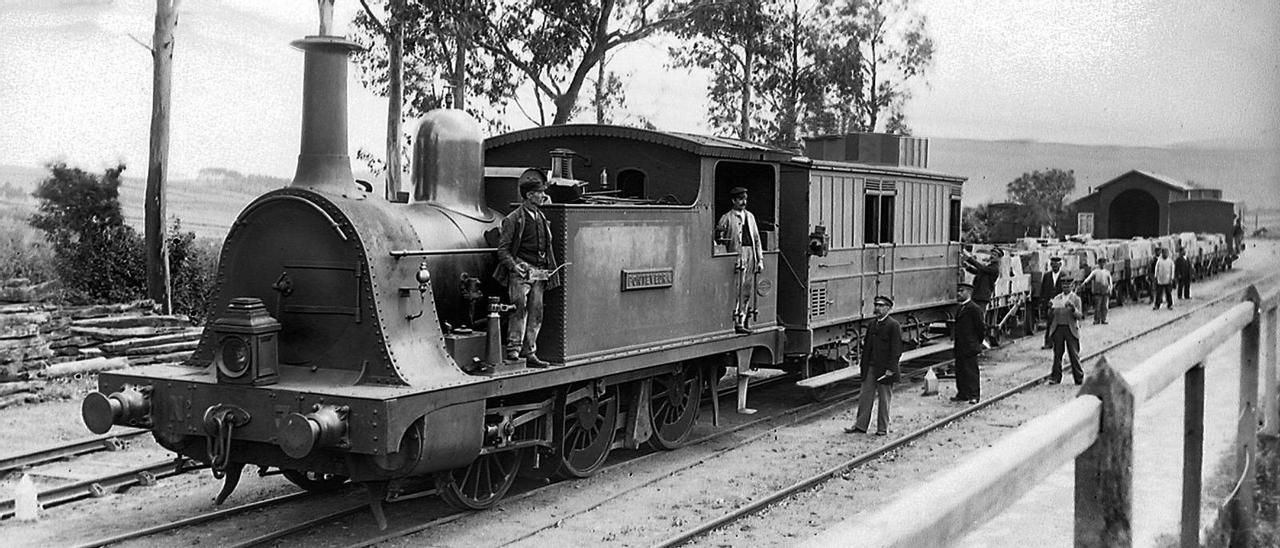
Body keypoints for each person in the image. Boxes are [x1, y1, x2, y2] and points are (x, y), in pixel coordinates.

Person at [494, 172, 560, 368]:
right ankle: (514, 349)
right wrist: (515, 266)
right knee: (518, 310)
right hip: (521, 271)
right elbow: (503, 250)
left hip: (539, 271)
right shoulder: (513, 219)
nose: (543, 196)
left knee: (536, 312)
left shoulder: (541, 218)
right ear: (529, 195)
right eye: (540, 193)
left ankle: (530, 351)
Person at [845, 296, 902, 436]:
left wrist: (891, 369)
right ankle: (860, 425)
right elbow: (868, 347)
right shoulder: (872, 324)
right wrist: (863, 366)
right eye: (876, 305)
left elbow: (896, 350)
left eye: (881, 306)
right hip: (870, 367)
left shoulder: (893, 325)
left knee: (884, 399)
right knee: (865, 396)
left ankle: (882, 428)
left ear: (889, 308)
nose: (877, 308)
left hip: (885, 369)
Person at [716, 186, 764, 333]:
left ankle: (743, 319)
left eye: (745, 199)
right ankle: (736, 321)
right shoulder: (726, 218)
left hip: (750, 254)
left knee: (747, 289)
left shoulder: (750, 217)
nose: (743, 202)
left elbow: (756, 239)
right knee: (736, 289)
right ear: (734, 201)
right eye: (741, 199)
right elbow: (719, 240)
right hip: (736, 255)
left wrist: (759, 259)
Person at [951, 282, 985, 404]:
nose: (959, 294)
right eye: (958, 291)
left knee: (971, 371)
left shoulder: (974, 309)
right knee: (960, 370)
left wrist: (976, 343)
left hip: (970, 346)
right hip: (960, 345)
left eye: (961, 291)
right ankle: (962, 393)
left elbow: (980, 328)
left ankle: (974, 395)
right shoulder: (960, 308)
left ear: (968, 292)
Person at [1047, 278, 1085, 385]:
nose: (1066, 288)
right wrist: (1050, 308)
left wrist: (1073, 309)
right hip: (1058, 328)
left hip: (1070, 328)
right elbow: (1050, 316)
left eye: (1068, 286)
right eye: (1064, 286)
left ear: (1072, 286)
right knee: (1057, 354)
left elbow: (1080, 316)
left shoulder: (1076, 299)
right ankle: (1055, 377)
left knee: (1073, 354)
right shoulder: (1057, 298)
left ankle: (1079, 377)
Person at [1039, 256, 1065, 349]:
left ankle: (1058, 343)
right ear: (1050, 265)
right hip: (1050, 303)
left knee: (1059, 324)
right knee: (1050, 323)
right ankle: (1048, 343)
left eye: (1056, 265)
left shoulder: (1064, 275)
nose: (1055, 267)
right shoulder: (1046, 276)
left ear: (1060, 265)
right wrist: (1043, 302)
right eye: (1053, 265)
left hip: (1061, 303)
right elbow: (1043, 290)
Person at [1079, 258, 1113, 325]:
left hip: (1105, 291)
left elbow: (1110, 282)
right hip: (1098, 292)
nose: (1102, 264)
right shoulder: (1095, 272)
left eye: (1103, 263)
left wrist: (1110, 289)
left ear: (1105, 264)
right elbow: (1089, 278)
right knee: (1097, 307)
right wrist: (1083, 283)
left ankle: (1104, 319)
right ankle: (1096, 320)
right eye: (1101, 263)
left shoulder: (1107, 272)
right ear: (1098, 264)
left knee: (1105, 307)